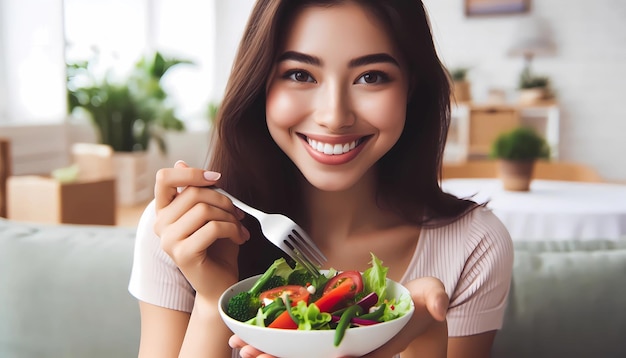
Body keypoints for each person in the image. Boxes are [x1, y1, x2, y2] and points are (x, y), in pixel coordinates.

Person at [128, 0, 514, 357]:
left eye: (371, 77)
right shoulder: (184, 230)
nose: (334, 115)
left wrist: (426, 333)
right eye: (299, 74)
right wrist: (214, 302)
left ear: (411, 87)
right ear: (260, 83)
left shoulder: (472, 246)